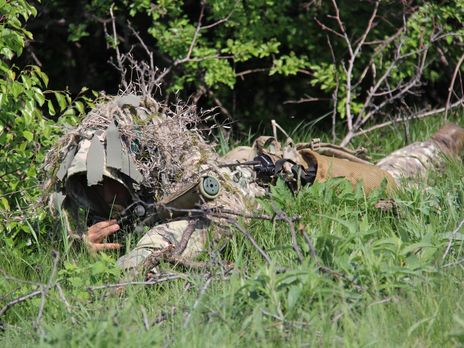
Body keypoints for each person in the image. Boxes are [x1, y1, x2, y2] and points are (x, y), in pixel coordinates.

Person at [44, 93, 464, 273]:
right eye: (91, 190)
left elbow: (151, 253)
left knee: (398, 182)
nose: (103, 199)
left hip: (297, 177)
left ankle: (440, 144)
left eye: (107, 186)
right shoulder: (107, 200)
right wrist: (83, 244)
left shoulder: (181, 166)